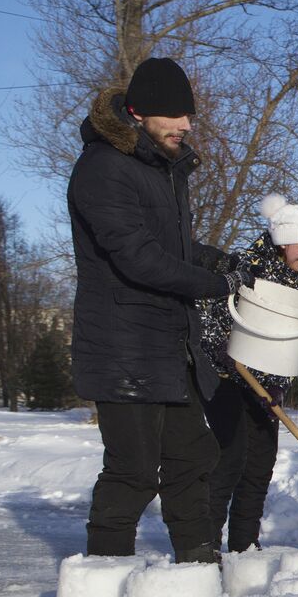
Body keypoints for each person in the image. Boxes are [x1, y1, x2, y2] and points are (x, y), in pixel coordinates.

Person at [69, 57, 254, 563]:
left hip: (168, 345)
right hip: (123, 345)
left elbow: (167, 242)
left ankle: (196, 568)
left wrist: (212, 256)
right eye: (175, 115)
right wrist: (214, 283)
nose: (187, 125)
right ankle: (100, 583)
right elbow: (137, 257)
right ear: (139, 112)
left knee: (193, 456)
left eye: (188, 115)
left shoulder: (160, 167)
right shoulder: (103, 167)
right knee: (133, 469)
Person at [199, 194, 298, 553]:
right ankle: (203, 549)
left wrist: (279, 387)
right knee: (230, 458)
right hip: (226, 379)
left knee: (260, 465)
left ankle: (244, 549)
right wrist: (220, 349)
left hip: (264, 389)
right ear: (284, 242)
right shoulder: (243, 271)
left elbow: (291, 346)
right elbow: (208, 312)